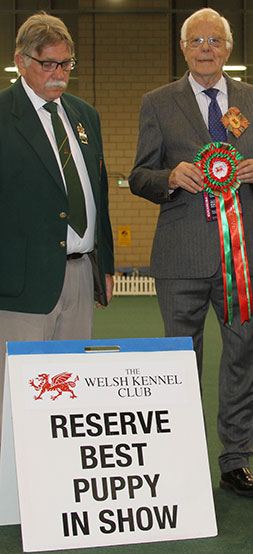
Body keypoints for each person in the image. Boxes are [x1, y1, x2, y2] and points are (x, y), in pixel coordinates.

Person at [129, 7, 253, 497]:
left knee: (242, 355)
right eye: (196, 40)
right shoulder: (157, 102)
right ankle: (180, 454)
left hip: (240, 256)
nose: (206, 48)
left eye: (215, 40)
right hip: (180, 256)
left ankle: (236, 460)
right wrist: (169, 177)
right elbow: (139, 175)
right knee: (178, 358)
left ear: (228, 48)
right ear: (183, 48)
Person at [0, 12, 114, 431]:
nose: (59, 73)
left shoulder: (85, 116)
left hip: (81, 275)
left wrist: (106, 265)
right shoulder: (2, 115)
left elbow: (97, 192)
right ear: (21, 62)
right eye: (48, 63)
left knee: (71, 396)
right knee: (16, 397)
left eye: (66, 64)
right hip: (20, 283)